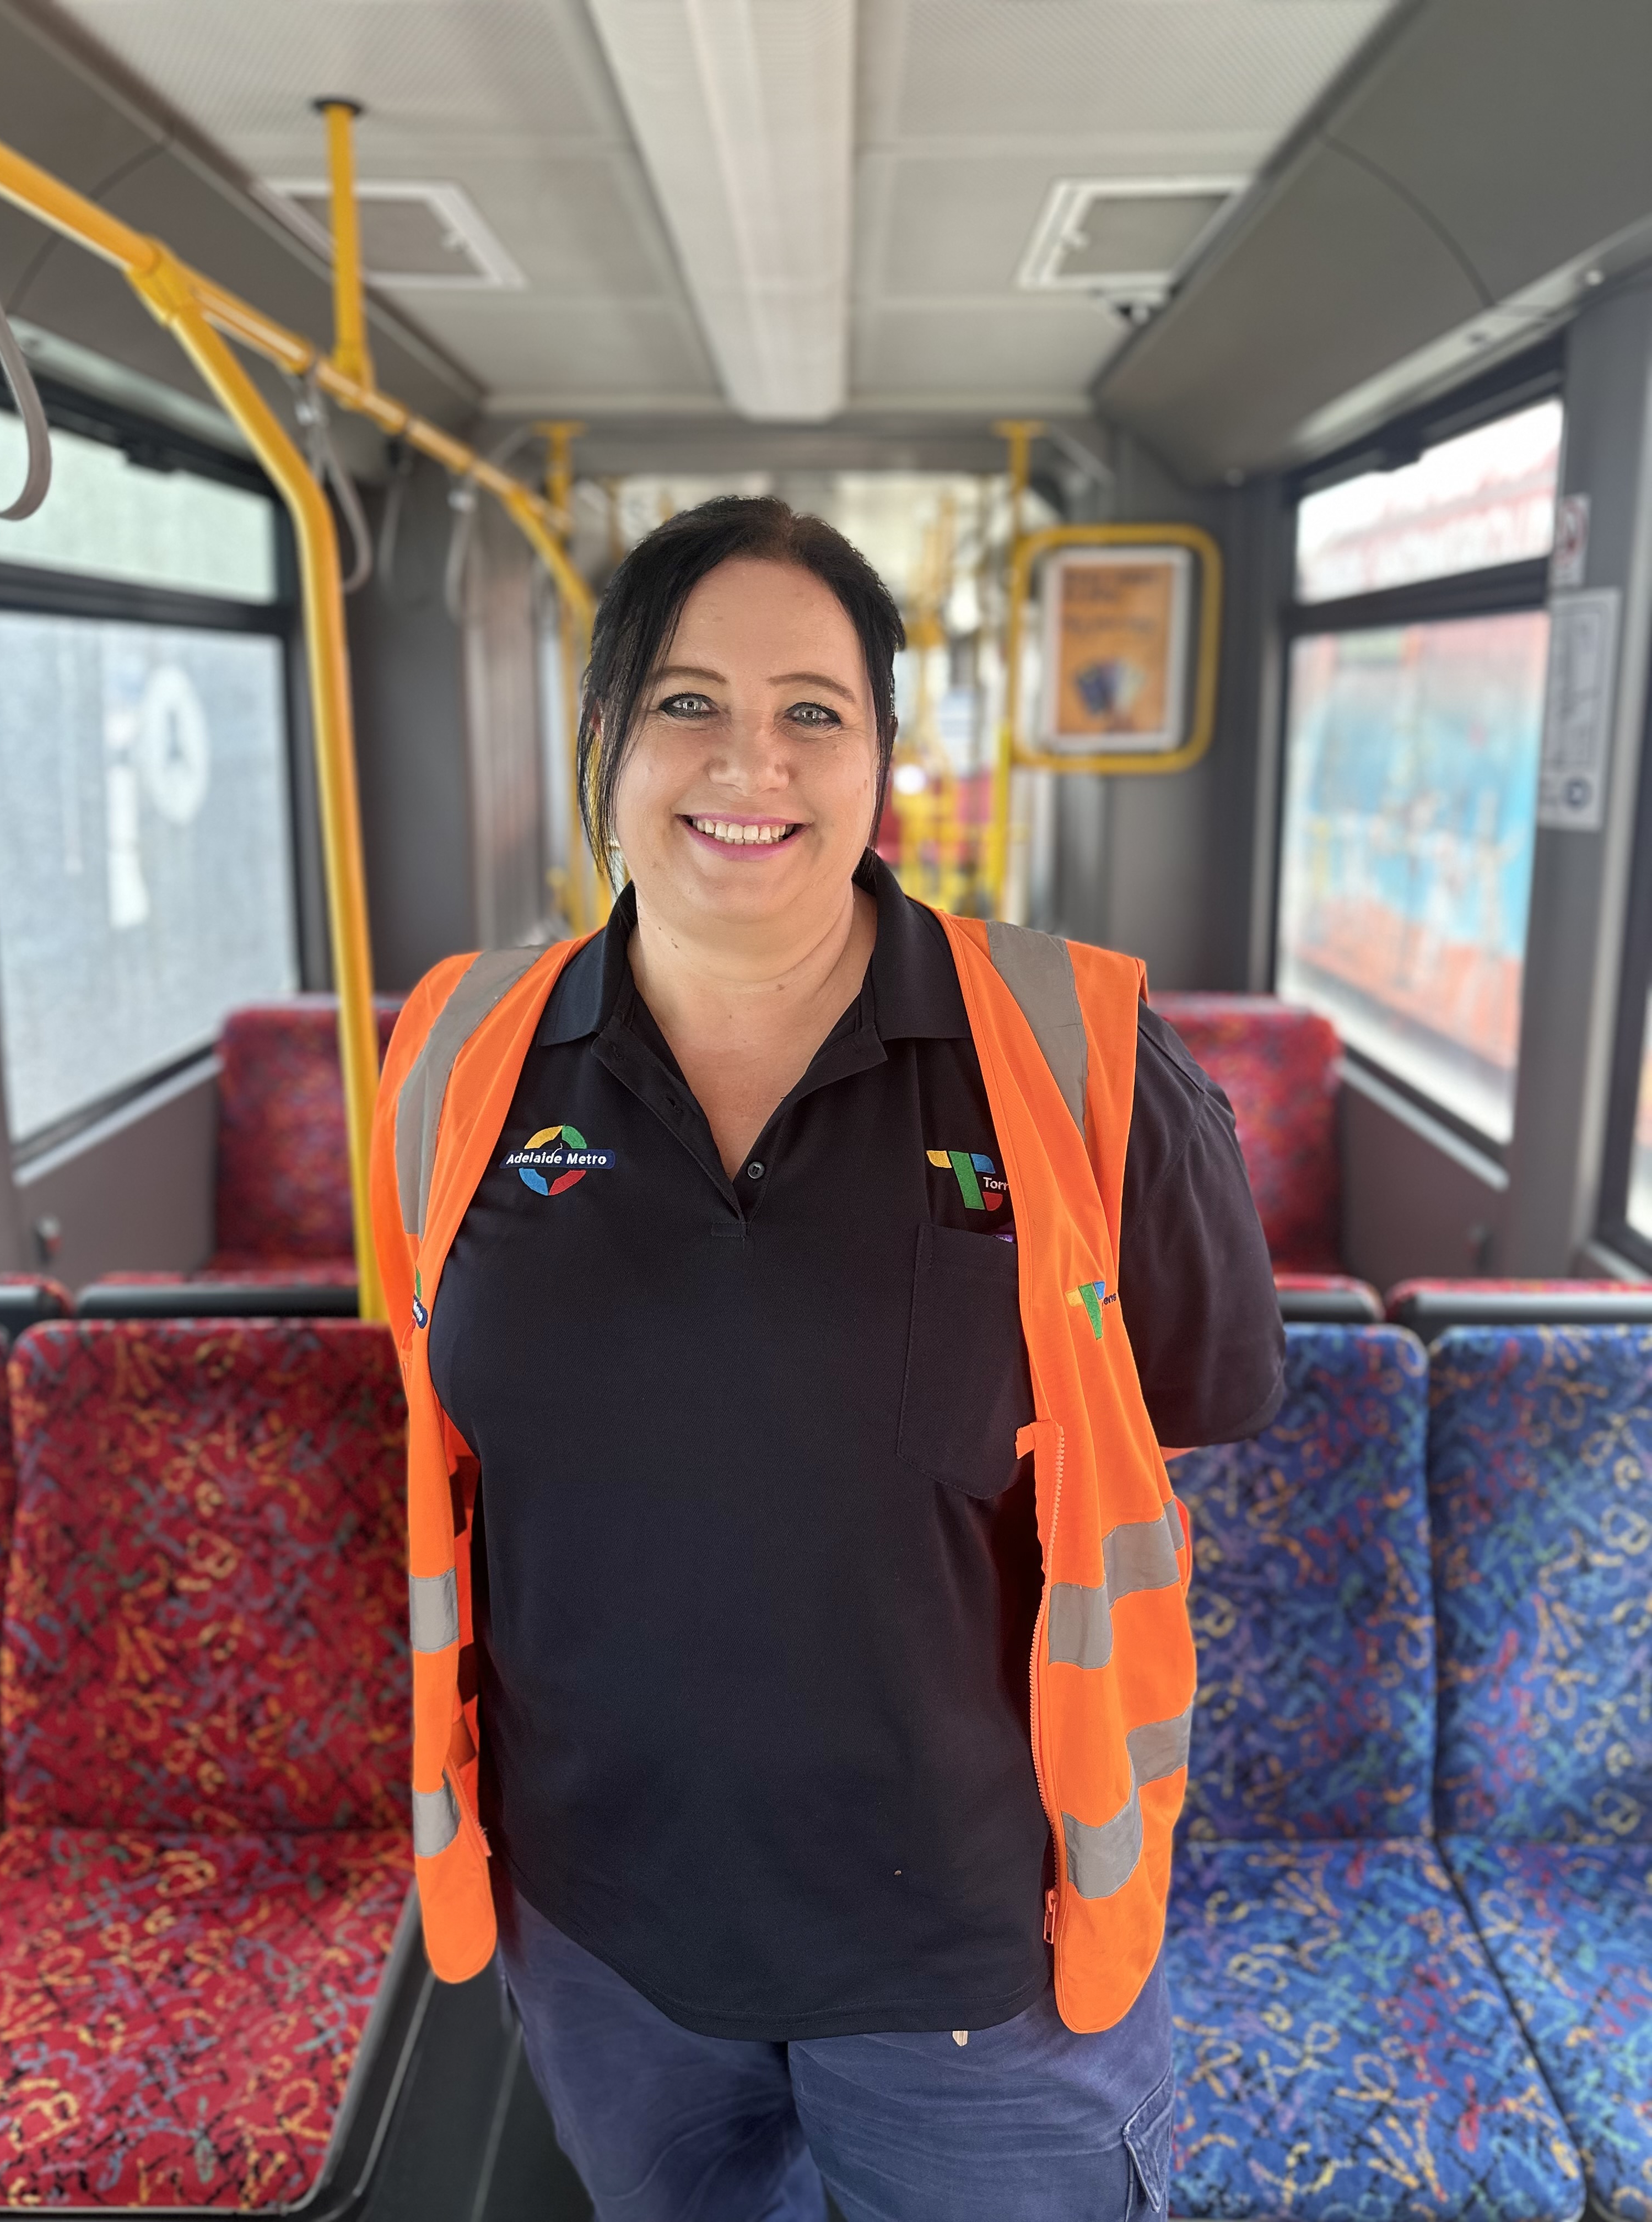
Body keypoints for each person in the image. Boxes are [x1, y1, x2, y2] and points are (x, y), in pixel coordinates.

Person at [372, 496, 1284, 2222]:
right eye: (686, 702)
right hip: (604, 1944)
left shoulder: (1078, 1055)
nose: (751, 762)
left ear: (884, 761)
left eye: (814, 711)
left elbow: (1192, 1403)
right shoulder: (455, 1060)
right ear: (604, 738)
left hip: (978, 1957)